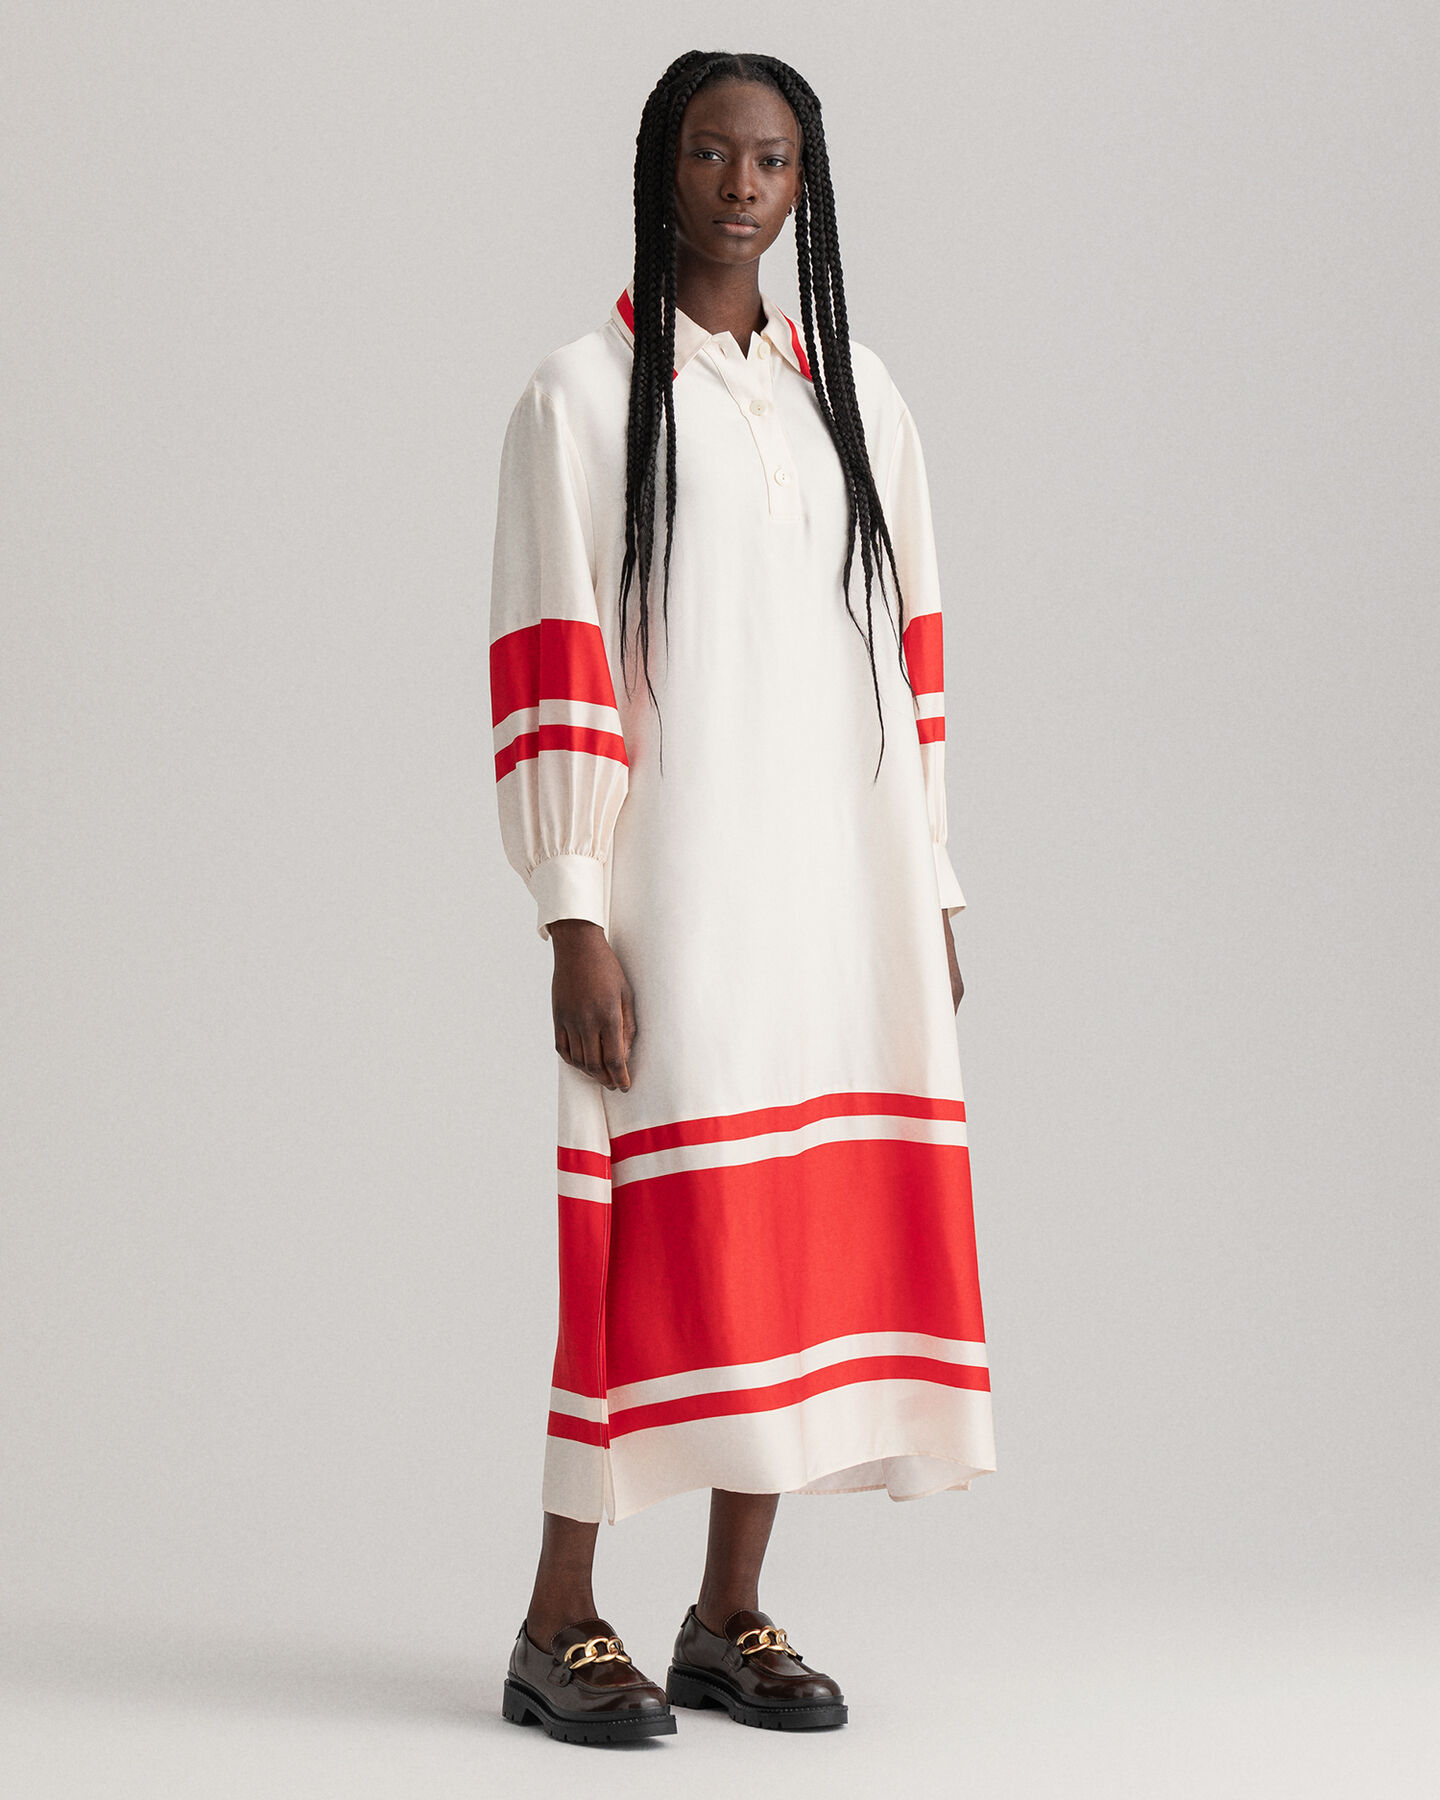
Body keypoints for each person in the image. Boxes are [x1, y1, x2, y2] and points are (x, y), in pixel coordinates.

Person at [488, 49, 996, 1746]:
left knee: (797, 1244)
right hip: (678, 884)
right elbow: (553, 656)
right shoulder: (579, 398)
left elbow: (911, 657)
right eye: (712, 153)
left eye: (771, 161)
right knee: (644, 1242)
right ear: (662, 167)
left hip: (840, 884)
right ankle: (559, 1621)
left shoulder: (855, 397)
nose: (740, 187)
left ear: (803, 186)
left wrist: (927, 881)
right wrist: (573, 907)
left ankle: (726, 1612)